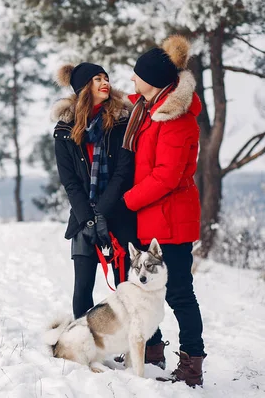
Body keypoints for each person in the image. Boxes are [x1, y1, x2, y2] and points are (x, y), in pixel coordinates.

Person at [122, 35, 206, 387]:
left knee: (179, 292)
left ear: (153, 81)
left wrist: (126, 202)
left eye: (137, 75)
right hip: (153, 217)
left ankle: (191, 364)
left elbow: (166, 176)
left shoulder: (175, 119)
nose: (131, 80)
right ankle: (152, 350)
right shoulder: (147, 112)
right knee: (148, 291)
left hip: (169, 218)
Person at [52, 62, 137, 320]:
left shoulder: (122, 122)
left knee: (126, 288)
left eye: (106, 78)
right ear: (83, 87)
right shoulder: (64, 130)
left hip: (119, 213)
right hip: (83, 217)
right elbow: (70, 182)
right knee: (82, 289)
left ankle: (130, 344)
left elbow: (123, 174)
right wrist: (89, 219)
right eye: (97, 79)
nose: (105, 82)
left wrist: (101, 213)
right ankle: (83, 345)